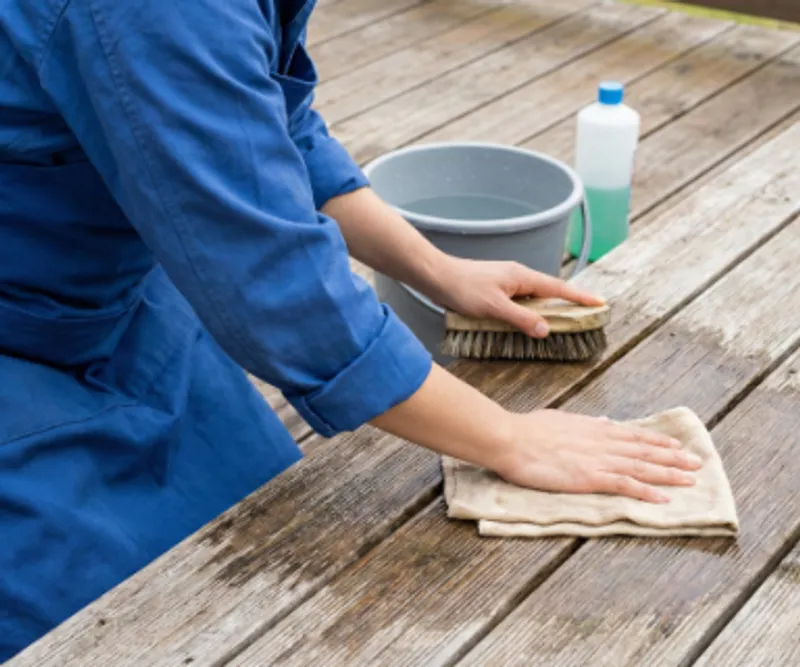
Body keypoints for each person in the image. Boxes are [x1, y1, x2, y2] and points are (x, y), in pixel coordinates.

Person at [0, 0, 701, 659]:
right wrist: (507, 436)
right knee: (122, 618)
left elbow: (270, 127)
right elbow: (267, 276)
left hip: (109, 302)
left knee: (258, 521)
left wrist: (436, 269)